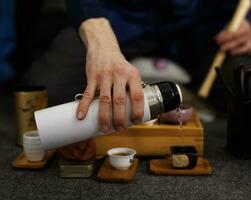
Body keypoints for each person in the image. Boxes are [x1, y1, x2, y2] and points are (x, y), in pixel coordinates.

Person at [22, 0, 251, 133]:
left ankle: (163, 81)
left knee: (243, 89)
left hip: (202, 25)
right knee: (43, 95)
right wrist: (96, 30)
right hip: (118, 18)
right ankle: (148, 75)